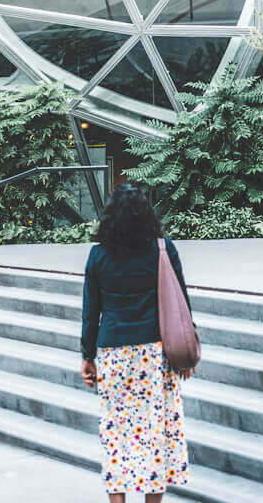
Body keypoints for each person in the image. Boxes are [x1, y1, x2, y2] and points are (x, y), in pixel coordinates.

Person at [81, 183, 193, 501]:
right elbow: (181, 302)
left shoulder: (98, 255)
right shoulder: (163, 249)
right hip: (154, 354)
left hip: (113, 352)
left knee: (116, 433)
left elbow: (91, 313)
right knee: (154, 433)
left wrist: (87, 357)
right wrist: (187, 354)